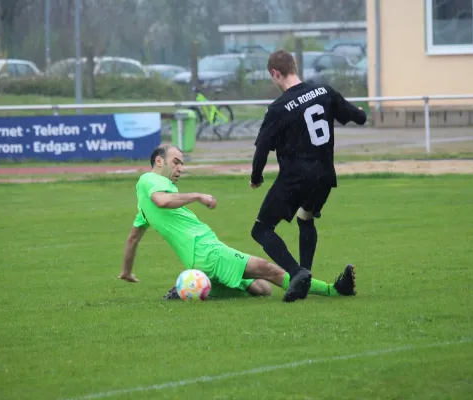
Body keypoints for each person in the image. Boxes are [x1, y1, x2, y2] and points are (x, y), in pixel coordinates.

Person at [118, 144, 357, 302]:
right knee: (270, 269)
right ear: (159, 162)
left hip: (202, 254)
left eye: (182, 163)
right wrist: (198, 196)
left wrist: (126, 272)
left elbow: (132, 238)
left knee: (262, 289)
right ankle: (334, 290)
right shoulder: (149, 180)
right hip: (207, 251)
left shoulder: (144, 207)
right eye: (176, 162)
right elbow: (161, 200)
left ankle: (194, 289)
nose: (180, 167)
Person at [249, 50, 366, 288]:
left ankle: (296, 272)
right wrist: (362, 115)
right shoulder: (324, 91)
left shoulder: (279, 108)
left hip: (295, 178)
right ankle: (305, 278)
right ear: (294, 67)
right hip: (324, 176)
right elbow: (356, 116)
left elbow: (262, 149)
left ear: (275, 73)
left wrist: (256, 176)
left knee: (261, 230)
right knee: (305, 218)